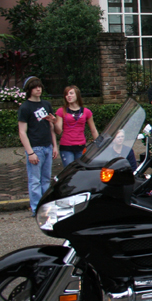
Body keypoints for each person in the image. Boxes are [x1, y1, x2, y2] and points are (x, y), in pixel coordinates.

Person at [18, 77, 58, 215]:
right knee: (35, 181)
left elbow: (51, 127)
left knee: (46, 179)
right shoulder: (25, 107)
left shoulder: (46, 105)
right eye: (35, 87)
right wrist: (30, 152)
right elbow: (22, 132)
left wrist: (55, 146)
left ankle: (45, 206)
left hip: (47, 146)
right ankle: (36, 208)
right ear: (29, 90)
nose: (38, 89)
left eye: (39, 86)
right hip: (36, 148)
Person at [55, 85, 99, 167]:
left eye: (71, 93)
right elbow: (58, 131)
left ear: (77, 95)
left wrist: (99, 145)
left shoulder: (86, 112)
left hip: (80, 146)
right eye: (66, 94)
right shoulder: (61, 111)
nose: (68, 96)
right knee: (69, 171)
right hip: (66, 146)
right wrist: (54, 122)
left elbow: (93, 130)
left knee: (80, 170)